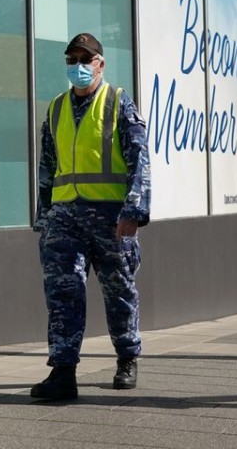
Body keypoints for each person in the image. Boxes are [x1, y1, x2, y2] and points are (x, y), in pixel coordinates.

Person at [30, 32, 151, 401]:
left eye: (85, 59)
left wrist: (134, 210)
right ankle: (63, 371)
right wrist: (44, 216)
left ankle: (127, 357)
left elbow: (139, 161)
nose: (78, 66)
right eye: (72, 60)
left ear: (100, 63)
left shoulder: (118, 102)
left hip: (111, 217)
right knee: (63, 292)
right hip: (65, 217)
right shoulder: (54, 109)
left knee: (119, 291)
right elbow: (47, 167)